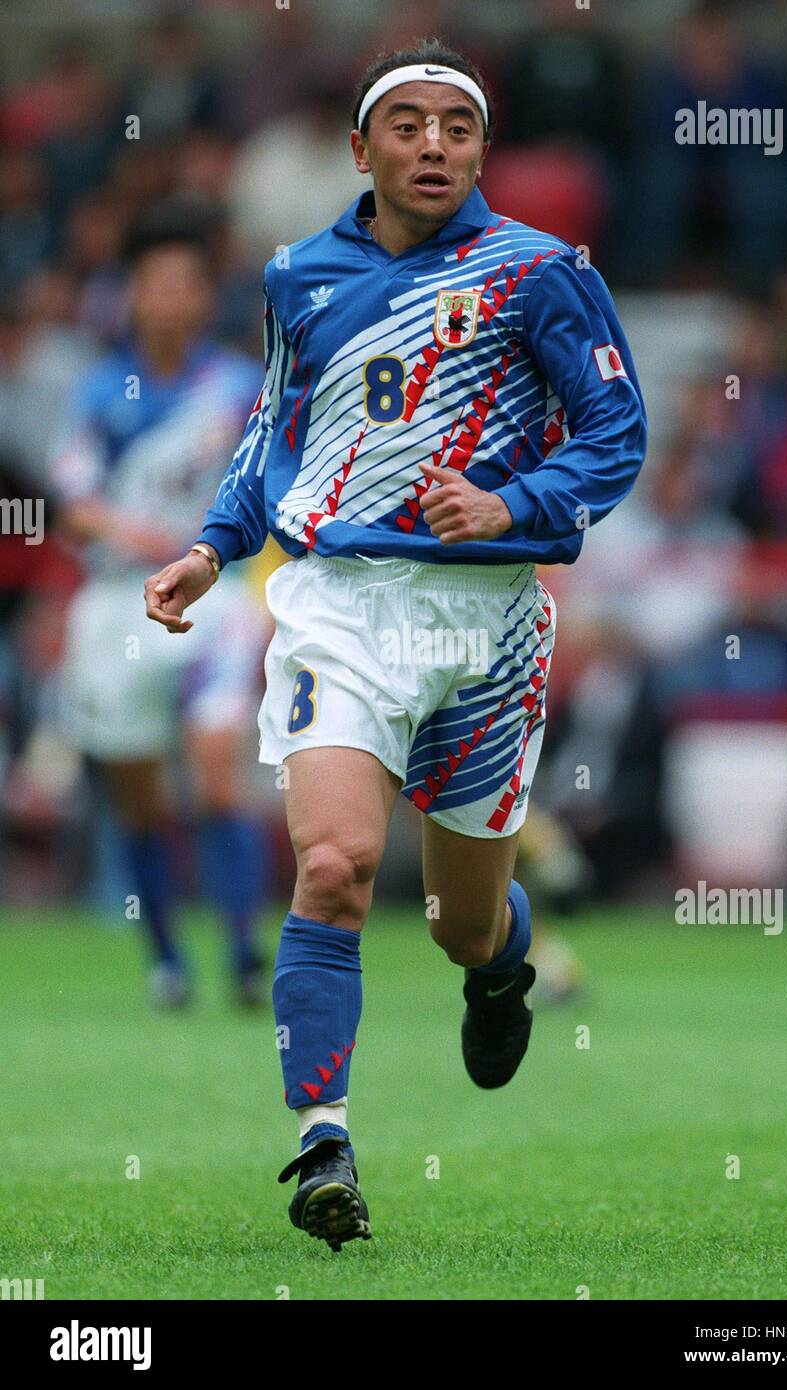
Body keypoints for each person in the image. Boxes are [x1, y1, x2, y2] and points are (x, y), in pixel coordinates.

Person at [144, 42, 647, 1251]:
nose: (434, 146)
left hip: (483, 623)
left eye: (458, 128)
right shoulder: (295, 276)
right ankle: (323, 1141)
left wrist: (511, 504)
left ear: (481, 147)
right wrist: (214, 548)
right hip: (337, 605)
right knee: (331, 866)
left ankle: (499, 962)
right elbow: (273, 429)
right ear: (358, 147)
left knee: (457, 922)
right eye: (409, 125)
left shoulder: (539, 271)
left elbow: (615, 430)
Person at [53, 201, 270, 1007]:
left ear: (206, 296)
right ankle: (167, 958)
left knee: (218, 776)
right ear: (133, 296)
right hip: (117, 603)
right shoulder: (101, 389)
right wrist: (140, 536)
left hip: (216, 594)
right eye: (155, 285)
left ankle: (246, 955)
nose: (171, 299)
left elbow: (273, 492)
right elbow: (72, 502)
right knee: (138, 793)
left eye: (186, 285)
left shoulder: (241, 387)